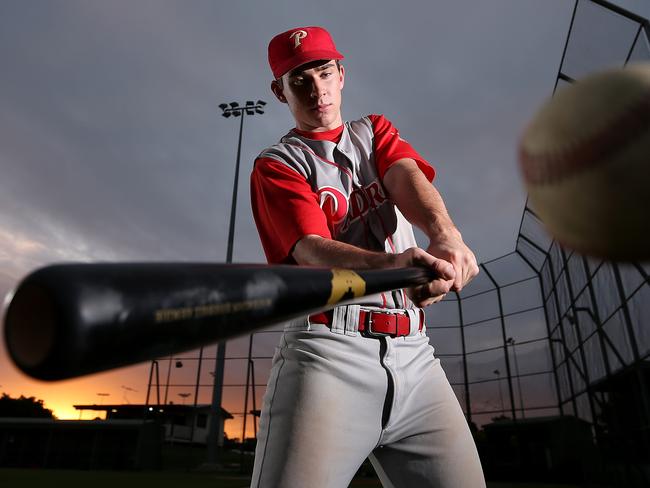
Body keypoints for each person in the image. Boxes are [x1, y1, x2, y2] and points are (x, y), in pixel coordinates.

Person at [249, 26, 485, 488]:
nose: (316, 88)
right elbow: (312, 250)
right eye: (300, 78)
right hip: (328, 357)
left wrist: (448, 238)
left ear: (341, 74)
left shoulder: (373, 131)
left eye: (323, 71)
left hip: (418, 358)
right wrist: (401, 269)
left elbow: (406, 178)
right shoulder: (277, 163)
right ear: (279, 90)